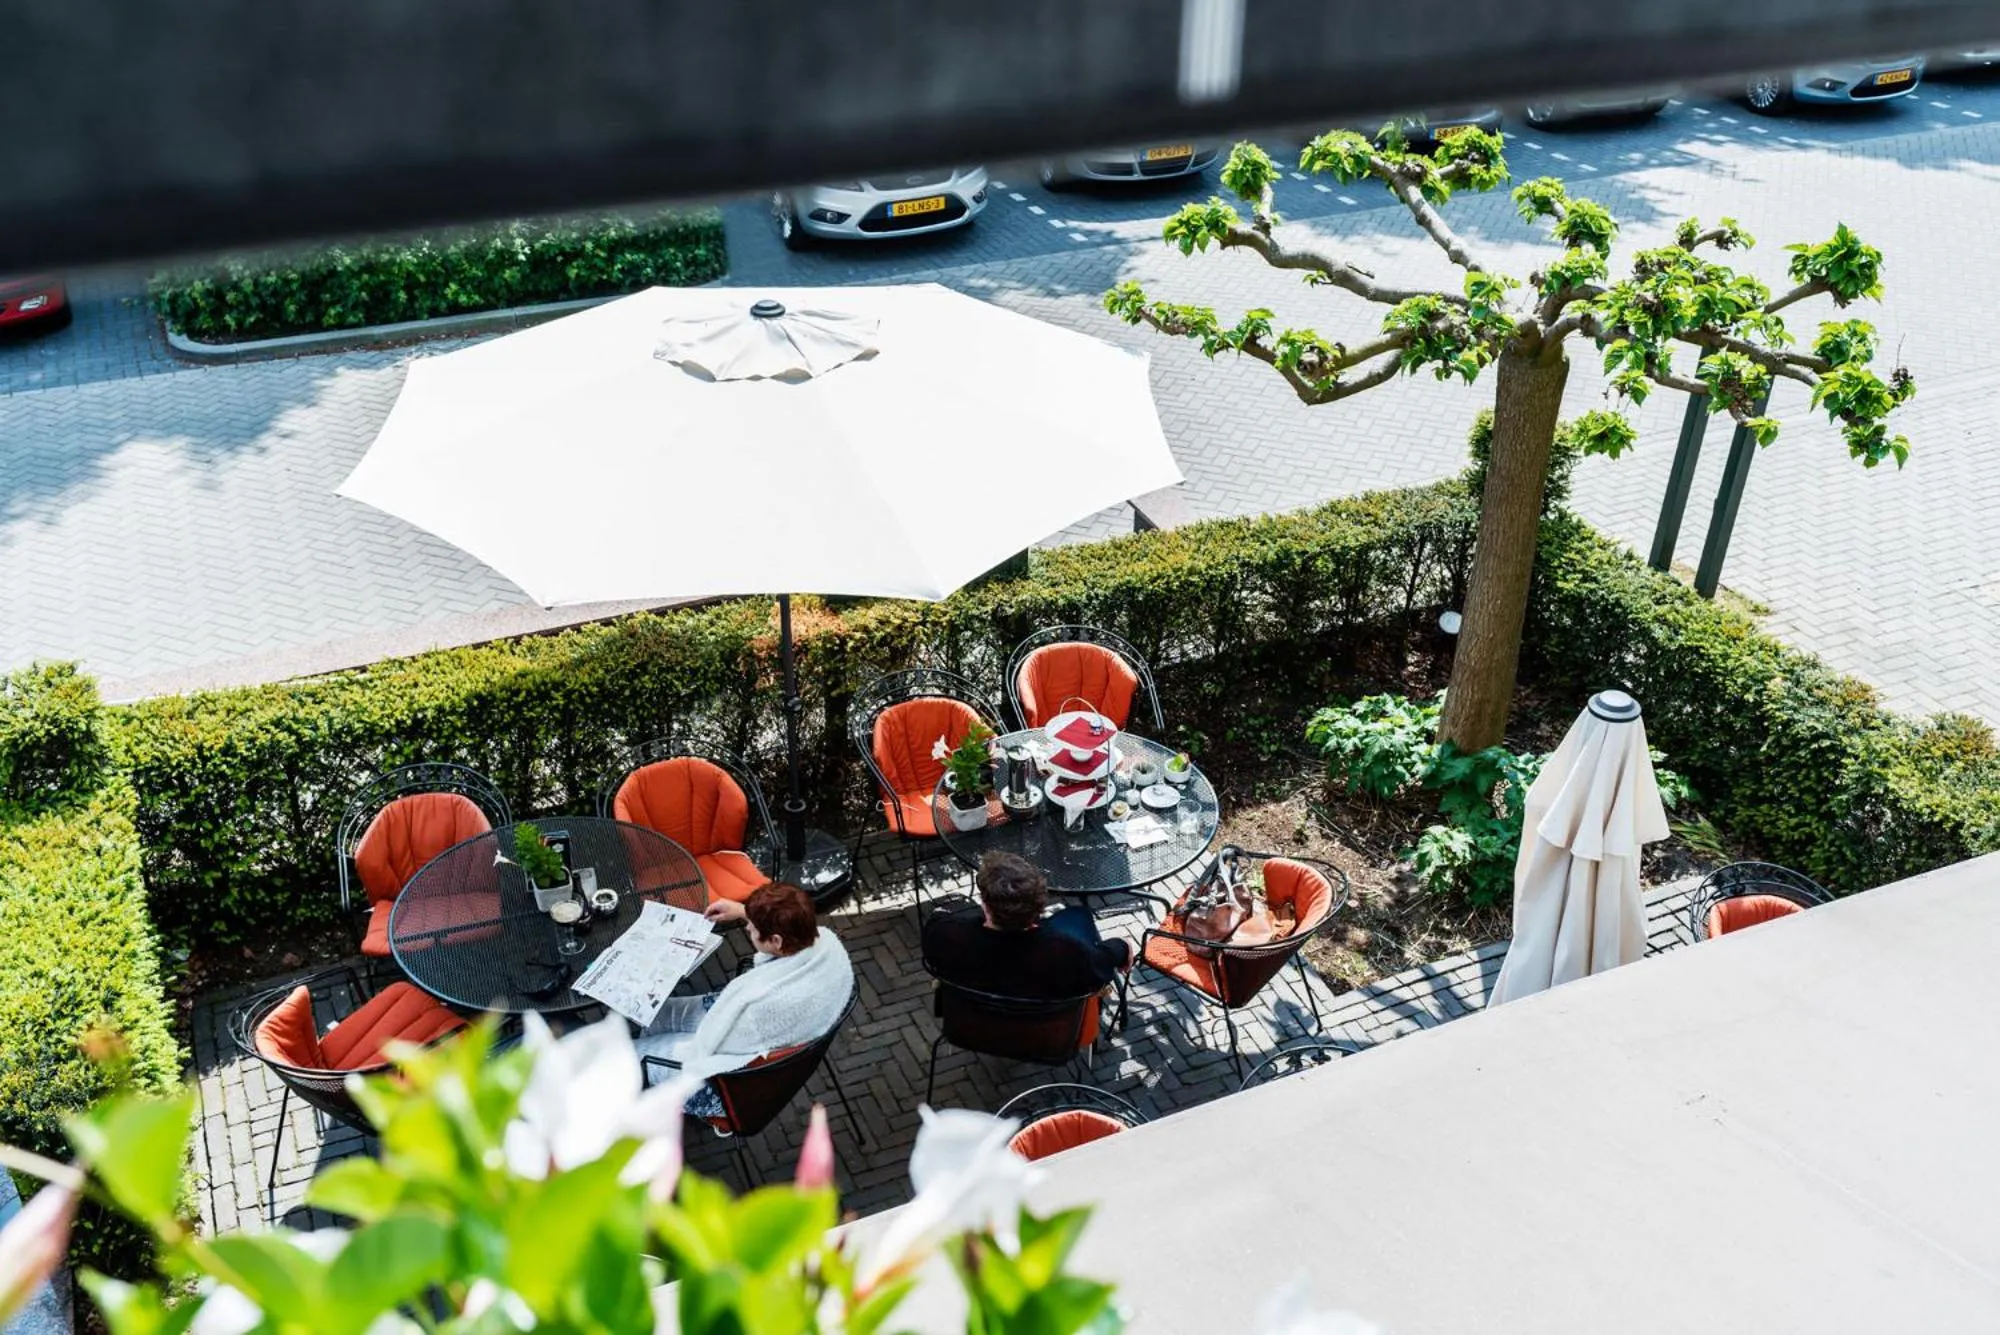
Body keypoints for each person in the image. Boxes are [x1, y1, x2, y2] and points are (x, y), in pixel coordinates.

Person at [635, 882, 852, 1121]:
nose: (747, 926)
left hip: (724, 1081)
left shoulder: (763, 1011)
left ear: (776, 941)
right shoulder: (828, 945)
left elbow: (711, 1047)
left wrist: (671, 1045)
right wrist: (743, 911)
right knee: (656, 1014)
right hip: (757, 1036)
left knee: (631, 1054)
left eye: (753, 927)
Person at [921, 851, 1132, 1001]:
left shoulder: (945, 936)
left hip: (970, 1027)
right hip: (1045, 1036)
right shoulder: (1066, 955)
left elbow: (939, 923)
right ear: (1039, 907)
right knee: (1077, 915)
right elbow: (1102, 961)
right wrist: (1122, 946)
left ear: (985, 904)